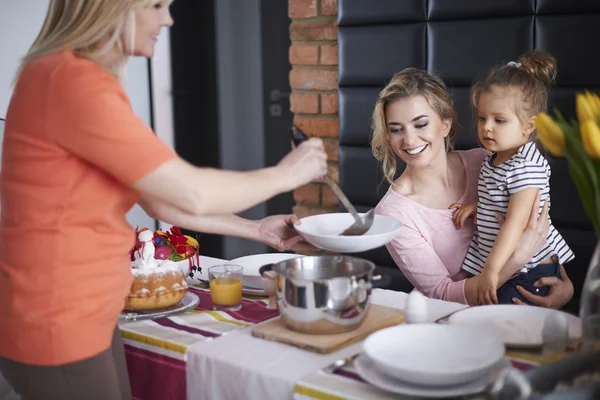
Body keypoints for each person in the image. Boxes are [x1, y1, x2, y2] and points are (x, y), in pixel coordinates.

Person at [0, 1, 327, 399]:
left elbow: (162, 201)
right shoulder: (71, 82)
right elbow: (192, 190)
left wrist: (256, 228)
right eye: (155, 5)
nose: (168, 19)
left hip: (83, 310)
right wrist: (288, 173)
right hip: (56, 316)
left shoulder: (67, 77)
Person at [371, 67, 574, 308]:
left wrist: (566, 286)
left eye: (420, 124)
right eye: (396, 129)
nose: (409, 140)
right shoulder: (393, 214)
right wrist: (516, 260)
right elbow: (442, 293)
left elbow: (537, 225)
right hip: (452, 319)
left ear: (445, 124)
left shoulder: (485, 161)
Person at [451, 51, 574, 305]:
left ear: (529, 126)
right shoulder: (496, 158)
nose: (487, 127)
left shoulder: (525, 167)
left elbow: (515, 224)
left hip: (529, 273)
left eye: (500, 120)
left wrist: (491, 272)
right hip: (513, 266)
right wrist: (480, 206)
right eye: (482, 118)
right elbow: (506, 202)